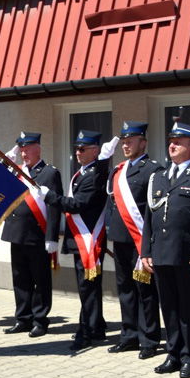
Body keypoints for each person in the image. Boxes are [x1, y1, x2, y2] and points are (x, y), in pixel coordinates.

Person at [142, 123, 190, 378]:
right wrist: (145, 251)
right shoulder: (159, 177)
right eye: (171, 140)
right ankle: (173, 354)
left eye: (179, 141)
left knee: (188, 308)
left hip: (188, 255)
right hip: (161, 253)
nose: (172, 145)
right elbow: (148, 219)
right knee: (169, 308)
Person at [43, 130, 114, 350]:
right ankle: (98, 326)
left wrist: (49, 197)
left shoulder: (93, 175)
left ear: (95, 151)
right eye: (76, 148)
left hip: (88, 240)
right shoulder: (83, 172)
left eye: (82, 149)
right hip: (80, 238)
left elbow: (77, 205)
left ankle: (87, 331)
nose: (77, 152)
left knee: (87, 287)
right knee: (89, 286)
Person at [105, 121, 162, 359]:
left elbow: (153, 210)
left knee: (145, 291)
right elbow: (111, 205)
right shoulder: (118, 170)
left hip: (141, 242)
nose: (126, 146)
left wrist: (148, 244)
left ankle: (149, 339)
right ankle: (128, 335)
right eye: (124, 142)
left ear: (143, 142)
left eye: (131, 141)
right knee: (125, 289)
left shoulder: (153, 170)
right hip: (120, 240)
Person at [1, 131, 62, 338]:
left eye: (27, 148)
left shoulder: (49, 173)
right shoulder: (17, 172)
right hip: (16, 234)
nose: (24, 153)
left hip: (37, 235)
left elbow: (54, 207)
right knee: (20, 279)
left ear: (38, 148)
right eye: (22, 149)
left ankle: (40, 320)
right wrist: (5, 164)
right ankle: (22, 318)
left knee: (40, 280)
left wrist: (52, 237)